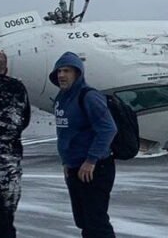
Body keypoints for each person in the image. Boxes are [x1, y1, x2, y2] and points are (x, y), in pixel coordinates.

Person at [51, 51, 118, 237]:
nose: (62, 75)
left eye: (67, 71)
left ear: (78, 73)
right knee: (83, 220)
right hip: (74, 168)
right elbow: (65, 132)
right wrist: (66, 162)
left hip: (94, 169)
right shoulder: (61, 99)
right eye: (59, 71)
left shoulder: (89, 96)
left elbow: (108, 129)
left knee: (96, 222)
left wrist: (91, 160)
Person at [0, 49, 31, 238]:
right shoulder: (17, 89)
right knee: (4, 225)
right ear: (5, 69)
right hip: (8, 170)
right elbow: (24, 121)